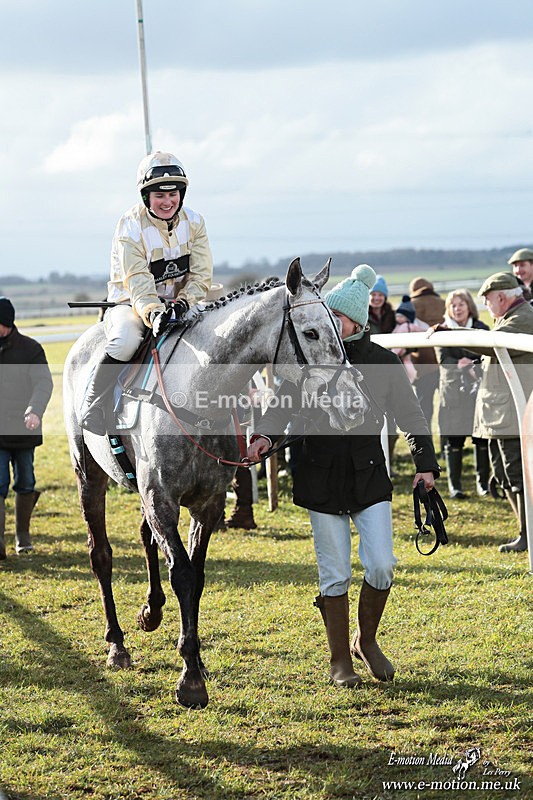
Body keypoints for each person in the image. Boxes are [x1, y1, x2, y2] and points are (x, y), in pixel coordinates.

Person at [247, 265, 439, 688]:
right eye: (327, 315)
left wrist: (425, 465)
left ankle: (365, 641)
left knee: (382, 566)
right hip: (320, 477)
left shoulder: (383, 362)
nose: (330, 322)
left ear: (356, 321)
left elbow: (410, 416)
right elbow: (280, 407)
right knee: (334, 574)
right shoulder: (307, 359)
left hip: (369, 477)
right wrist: (263, 435)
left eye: (338, 316)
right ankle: (339, 662)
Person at [82, 151, 213, 434]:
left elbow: (202, 274)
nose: (168, 202)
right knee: (125, 341)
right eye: (159, 196)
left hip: (181, 302)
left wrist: (183, 303)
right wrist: (154, 313)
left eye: (173, 194)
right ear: (146, 197)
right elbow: (138, 281)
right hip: (132, 303)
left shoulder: (196, 222)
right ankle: (93, 403)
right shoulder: (129, 225)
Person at [473, 272, 533, 552]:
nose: (486, 306)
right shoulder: (507, 319)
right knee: (503, 473)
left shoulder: (523, 318)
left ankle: (528, 533)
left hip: (514, 413)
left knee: (519, 474)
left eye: (487, 300)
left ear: (500, 297)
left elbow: (489, 344)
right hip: (502, 412)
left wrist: (453, 335)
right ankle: (525, 530)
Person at [0, 297, 53, 557]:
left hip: (23, 431)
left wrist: (35, 410)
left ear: (5, 323)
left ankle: (23, 537)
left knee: (25, 482)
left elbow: (43, 383)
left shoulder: (31, 349)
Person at [430, 289, 490, 499]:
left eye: (461, 304)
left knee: (480, 439)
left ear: (469, 307)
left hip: (477, 391)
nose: (457, 309)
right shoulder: (442, 331)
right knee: (454, 440)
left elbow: (488, 356)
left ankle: (483, 483)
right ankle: (455, 486)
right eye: (453, 305)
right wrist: (459, 364)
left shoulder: (482, 329)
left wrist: (473, 364)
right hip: (453, 392)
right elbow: (443, 359)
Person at [408, 277, 445, 434]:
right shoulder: (443, 303)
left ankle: (426, 441)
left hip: (422, 366)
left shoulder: (411, 306)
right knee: (446, 406)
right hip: (444, 362)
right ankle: (447, 446)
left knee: (424, 408)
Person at [391, 295, 429, 384]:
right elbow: (393, 333)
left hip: (403, 348)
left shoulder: (410, 326)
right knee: (400, 360)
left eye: (401, 316)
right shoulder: (398, 326)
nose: (398, 319)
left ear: (408, 317)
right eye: (397, 316)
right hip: (397, 345)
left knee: (407, 361)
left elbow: (422, 330)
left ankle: (411, 378)